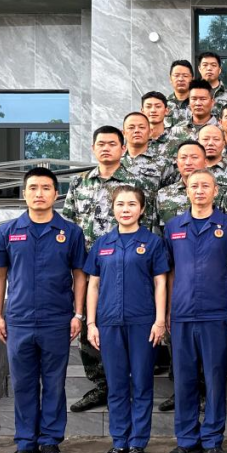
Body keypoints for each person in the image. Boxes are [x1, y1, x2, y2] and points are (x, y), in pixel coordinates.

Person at [0, 167, 87, 453]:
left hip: (57, 319)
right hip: (19, 320)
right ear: (24, 193)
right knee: (23, 384)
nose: (39, 194)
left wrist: (78, 314)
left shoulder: (70, 232)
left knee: (54, 383)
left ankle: (50, 442)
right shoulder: (8, 231)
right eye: (33, 188)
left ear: (56, 194)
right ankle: (25, 444)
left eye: (46, 188)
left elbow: (80, 275)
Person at [63, 126, 150, 413]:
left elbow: (146, 222)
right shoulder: (79, 183)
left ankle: (129, 382)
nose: (106, 148)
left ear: (123, 148)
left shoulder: (135, 181)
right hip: (88, 265)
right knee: (90, 321)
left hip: (127, 263)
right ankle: (101, 384)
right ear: (93, 148)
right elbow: (70, 222)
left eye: (112, 144)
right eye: (101, 144)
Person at [84, 186, 169, 453]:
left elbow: (160, 283)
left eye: (132, 204)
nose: (126, 209)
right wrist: (91, 323)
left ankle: (137, 443)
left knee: (142, 383)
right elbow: (93, 285)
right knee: (117, 385)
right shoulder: (102, 243)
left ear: (142, 209)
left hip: (142, 322)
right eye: (120, 204)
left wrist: (159, 320)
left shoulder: (153, 243)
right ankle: (119, 441)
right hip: (109, 323)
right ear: (113, 208)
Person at [162, 169, 227, 453]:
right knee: (184, 379)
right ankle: (186, 440)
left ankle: (212, 439)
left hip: (216, 312)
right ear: (186, 190)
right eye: (194, 186)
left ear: (215, 190)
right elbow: (169, 271)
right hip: (182, 313)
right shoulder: (173, 226)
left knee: (215, 377)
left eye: (205, 185)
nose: (199, 190)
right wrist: (168, 308)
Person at [165, 60, 194, 128]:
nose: (181, 79)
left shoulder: (199, 103)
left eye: (185, 76)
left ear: (192, 79)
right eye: (176, 76)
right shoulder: (163, 104)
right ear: (170, 79)